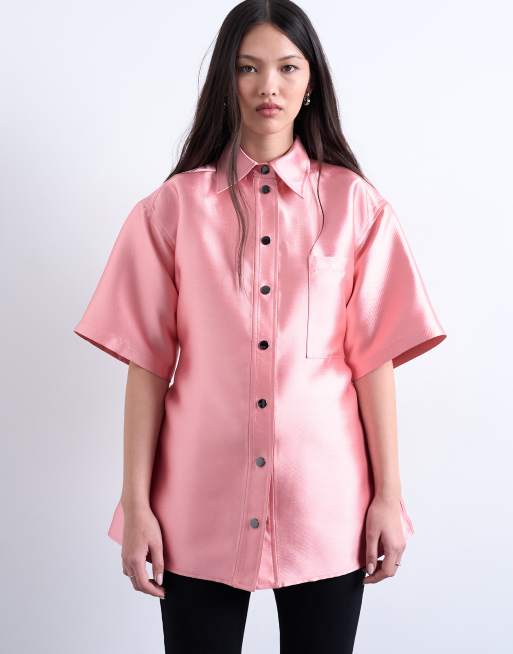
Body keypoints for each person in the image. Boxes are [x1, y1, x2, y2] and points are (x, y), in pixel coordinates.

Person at [73, 1, 447, 652]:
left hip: (327, 510)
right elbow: (147, 368)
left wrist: (389, 497)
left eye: (286, 67)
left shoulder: (355, 207)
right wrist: (136, 507)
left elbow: (372, 363)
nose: (267, 86)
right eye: (248, 68)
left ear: (311, 81)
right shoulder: (171, 211)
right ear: (226, 79)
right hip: (196, 507)